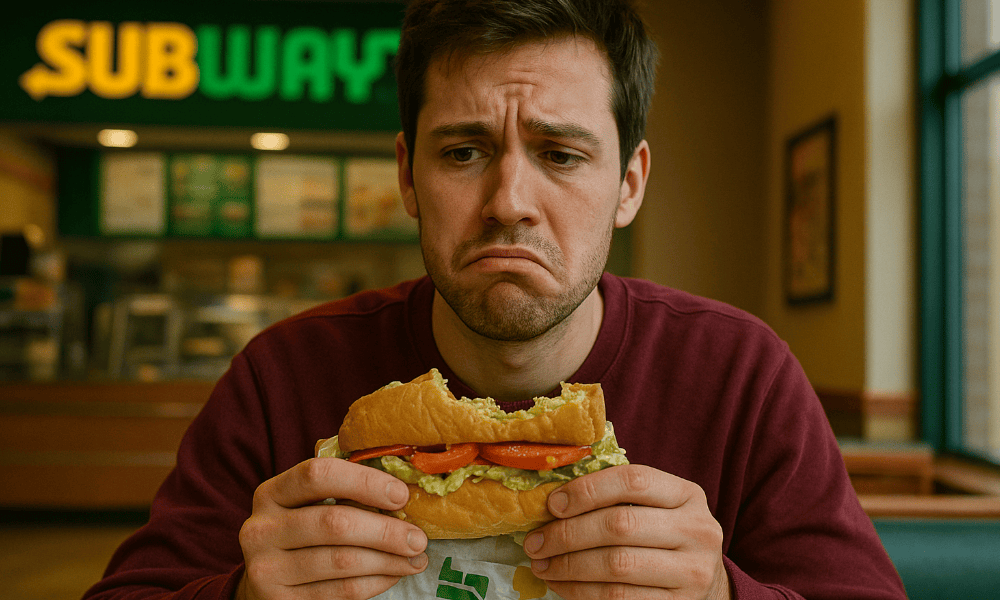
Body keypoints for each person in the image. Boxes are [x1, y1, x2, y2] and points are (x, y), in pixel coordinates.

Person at [84, 1, 908, 599]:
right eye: (464, 152)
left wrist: (724, 595)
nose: (510, 201)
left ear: (629, 183)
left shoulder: (738, 374)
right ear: (408, 176)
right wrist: (239, 596)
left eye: (560, 154)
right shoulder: (284, 374)